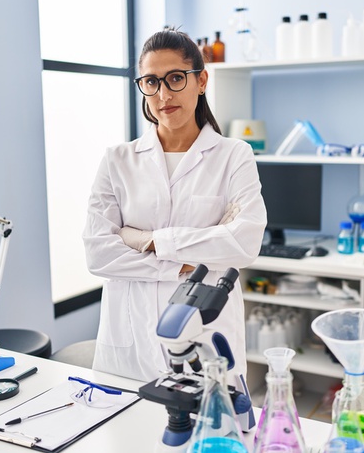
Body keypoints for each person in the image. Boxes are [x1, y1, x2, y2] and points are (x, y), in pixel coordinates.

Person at [82, 28, 267, 382]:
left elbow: (243, 244)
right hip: (129, 343)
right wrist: (188, 262)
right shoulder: (117, 160)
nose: (163, 94)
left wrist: (150, 240)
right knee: (122, 436)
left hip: (206, 339)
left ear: (201, 81)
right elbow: (98, 254)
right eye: (151, 82)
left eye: (176, 78)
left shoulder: (234, 156)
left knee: (211, 431)